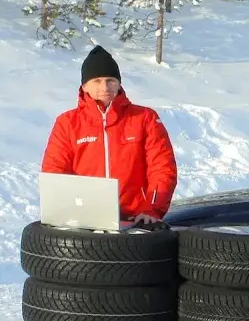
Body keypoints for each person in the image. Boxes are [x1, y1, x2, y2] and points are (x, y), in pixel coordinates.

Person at [41, 45, 178, 225]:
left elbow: (162, 167)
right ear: (85, 86)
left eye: (110, 80)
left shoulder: (144, 118)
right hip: (85, 220)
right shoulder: (67, 123)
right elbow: (54, 172)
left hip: (135, 220)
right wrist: (65, 211)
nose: (105, 87)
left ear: (119, 83)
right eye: (97, 80)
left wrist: (151, 209)